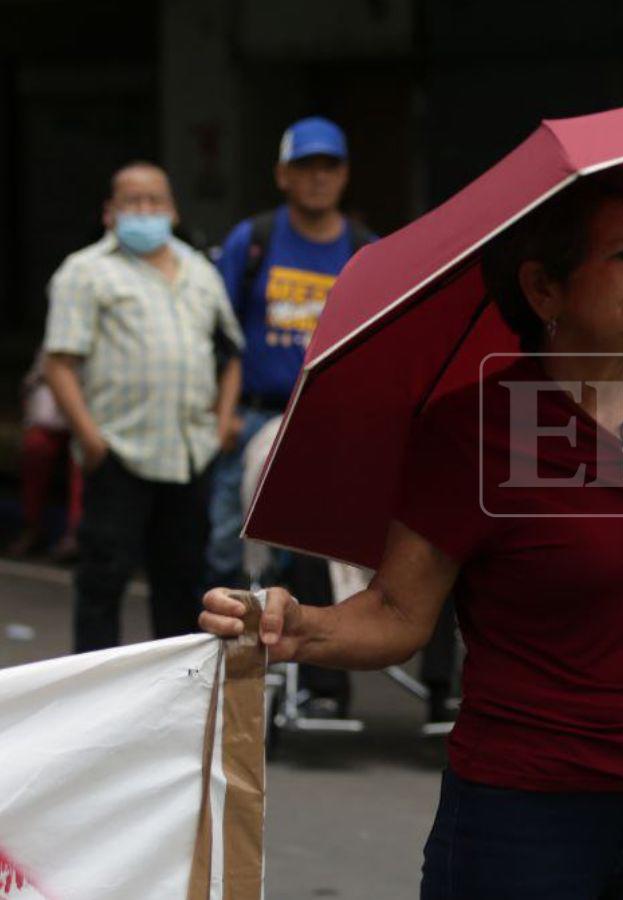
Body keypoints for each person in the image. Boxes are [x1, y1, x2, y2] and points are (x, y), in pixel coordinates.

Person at [201, 169, 623, 898]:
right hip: (524, 816)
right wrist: (300, 628)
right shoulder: (474, 431)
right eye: (622, 255)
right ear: (543, 290)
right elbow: (397, 614)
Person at [207, 116, 373, 716]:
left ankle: (321, 688)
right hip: (256, 419)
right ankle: (221, 686)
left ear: (345, 175)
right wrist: (221, 414)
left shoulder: (366, 251)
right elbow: (216, 332)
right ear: (282, 175)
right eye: (306, 167)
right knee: (230, 551)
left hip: (332, 428)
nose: (318, 178)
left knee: (324, 554)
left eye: (329, 166)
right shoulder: (252, 241)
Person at [43, 161, 243, 653]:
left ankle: (175, 693)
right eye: (132, 201)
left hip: (190, 454)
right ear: (110, 212)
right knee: (103, 581)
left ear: (173, 211)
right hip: (119, 453)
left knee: (181, 585)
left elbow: (231, 353)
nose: (145, 210)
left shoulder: (200, 271)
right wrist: (91, 441)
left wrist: (221, 424)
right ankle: (96, 690)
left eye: (155, 200)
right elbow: (59, 363)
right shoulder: (85, 271)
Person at [7, 352, 83, 561]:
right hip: (50, 409)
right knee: (35, 448)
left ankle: (76, 534)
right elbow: (36, 380)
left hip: (90, 407)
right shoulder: (54, 343)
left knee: (84, 457)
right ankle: (32, 528)